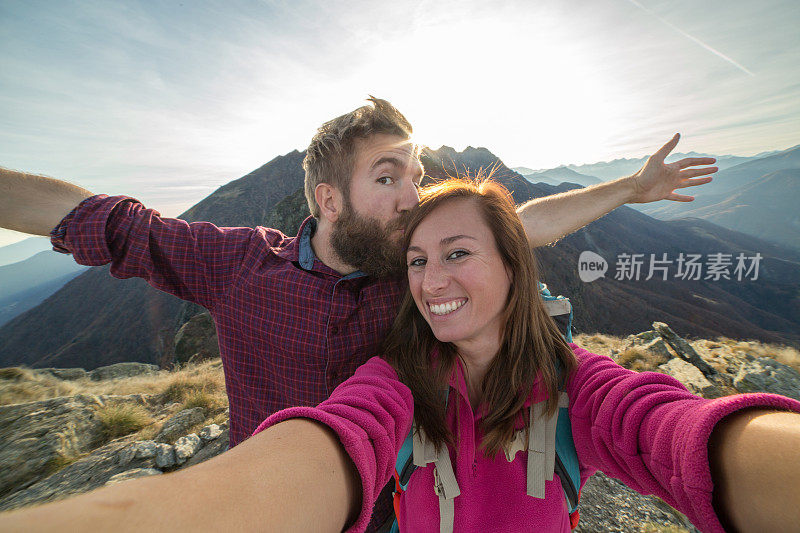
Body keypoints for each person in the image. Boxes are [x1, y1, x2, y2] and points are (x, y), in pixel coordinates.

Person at [0, 99, 720, 530]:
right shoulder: (240, 265)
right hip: (273, 504)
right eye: (388, 178)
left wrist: (629, 188)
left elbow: (519, 224)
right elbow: (107, 222)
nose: (414, 196)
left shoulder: (418, 271)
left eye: (416, 174)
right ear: (328, 200)